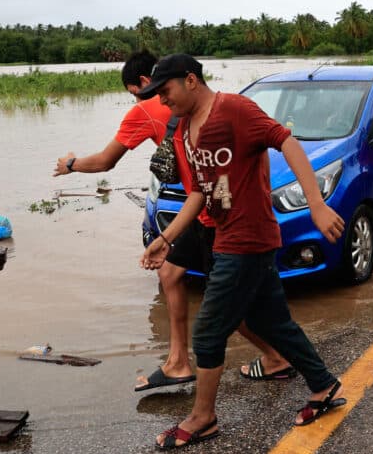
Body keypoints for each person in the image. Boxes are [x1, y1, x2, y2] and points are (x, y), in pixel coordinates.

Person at [137, 54, 347, 448]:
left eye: (166, 91)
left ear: (191, 81)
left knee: (209, 331)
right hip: (227, 236)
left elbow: (287, 142)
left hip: (247, 239)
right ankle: (323, 386)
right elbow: (199, 193)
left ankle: (203, 417)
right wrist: (166, 239)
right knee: (273, 323)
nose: (163, 101)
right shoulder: (184, 129)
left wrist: (316, 203)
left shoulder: (233, 109)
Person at [52, 51, 293, 392]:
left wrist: (71, 164)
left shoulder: (150, 109)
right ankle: (178, 362)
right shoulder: (208, 103)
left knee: (225, 304)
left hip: (211, 214)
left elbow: (106, 161)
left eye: (135, 92)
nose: (146, 100)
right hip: (205, 207)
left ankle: (275, 357)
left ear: (146, 84)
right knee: (170, 272)